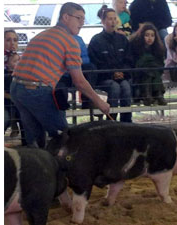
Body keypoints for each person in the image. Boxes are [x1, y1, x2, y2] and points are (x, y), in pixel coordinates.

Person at [10, 2, 110, 148]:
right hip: (36, 90)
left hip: (17, 88)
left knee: (35, 138)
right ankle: (63, 169)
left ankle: (39, 165)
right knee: (64, 136)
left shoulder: (42, 35)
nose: (82, 23)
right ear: (65, 17)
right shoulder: (70, 42)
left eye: (83, 19)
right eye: (79, 18)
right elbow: (79, 81)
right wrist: (99, 102)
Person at [88, 5, 133, 123]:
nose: (113, 22)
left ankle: (127, 122)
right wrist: (112, 73)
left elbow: (128, 59)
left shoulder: (123, 39)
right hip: (104, 78)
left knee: (126, 87)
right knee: (115, 88)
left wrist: (123, 72)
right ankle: (111, 121)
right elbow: (96, 63)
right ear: (103, 21)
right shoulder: (96, 40)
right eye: (110, 19)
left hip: (122, 76)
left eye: (114, 19)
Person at [129, 22, 167, 106]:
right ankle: (157, 94)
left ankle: (149, 95)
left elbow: (160, 65)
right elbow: (135, 64)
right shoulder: (134, 47)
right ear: (142, 35)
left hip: (153, 75)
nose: (150, 38)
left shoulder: (158, 49)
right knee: (148, 71)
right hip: (138, 76)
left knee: (152, 72)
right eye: (147, 35)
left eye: (152, 35)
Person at [73, 35, 98, 109]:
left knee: (91, 68)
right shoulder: (59, 38)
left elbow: (86, 57)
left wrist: (81, 60)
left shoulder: (79, 39)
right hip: (65, 71)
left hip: (80, 67)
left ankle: (87, 100)